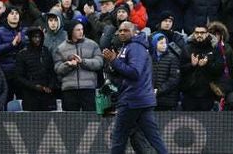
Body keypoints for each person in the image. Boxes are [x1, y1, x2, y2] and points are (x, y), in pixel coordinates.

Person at [102, 22, 167, 154]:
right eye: (120, 31)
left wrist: (115, 61)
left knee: (118, 137)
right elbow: (123, 75)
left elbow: (135, 72)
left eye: (125, 30)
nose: (122, 33)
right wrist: (112, 66)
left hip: (132, 100)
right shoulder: (128, 47)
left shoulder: (135, 47)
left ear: (134, 32)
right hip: (141, 99)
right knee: (154, 138)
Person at [53, 20, 103, 111]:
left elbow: (99, 63)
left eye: (82, 29)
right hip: (69, 90)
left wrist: (83, 62)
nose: (81, 32)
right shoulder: (61, 48)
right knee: (71, 120)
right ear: (71, 31)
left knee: (89, 120)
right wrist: (68, 65)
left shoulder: (92, 45)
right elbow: (57, 69)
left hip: (88, 88)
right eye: (77, 30)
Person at [179, 24, 222, 111]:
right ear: (193, 34)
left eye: (202, 33)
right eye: (197, 32)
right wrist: (192, 65)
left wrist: (207, 64)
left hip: (207, 93)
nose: (199, 35)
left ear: (207, 34)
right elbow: (181, 69)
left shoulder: (214, 48)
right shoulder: (187, 48)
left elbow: (219, 69)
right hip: (189, 93)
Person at [16, 27, 56, 111]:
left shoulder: (46, 51)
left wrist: (50, 86)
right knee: (31, 122)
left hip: (46, 94)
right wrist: (34, 86)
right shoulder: (22, 54)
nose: (37, 39)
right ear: (30, 38)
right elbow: (19, 77)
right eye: (34, 37)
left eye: (39, 37)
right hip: (30, 95)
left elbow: (52, 72)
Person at [0, 7, 27, 101]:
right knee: (7, 98)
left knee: (23, 99)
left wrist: (22, 42)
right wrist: (11, 44)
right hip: (5, 71)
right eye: (12, 13)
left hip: (22, 71)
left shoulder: (24, 31)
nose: (15, 15)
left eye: (16, 13)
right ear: (6, 17)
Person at [207, 21, 233, 111]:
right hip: (209, 87)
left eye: (217, 34)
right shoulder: (206, 49)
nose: (215, 37)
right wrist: (212, 86)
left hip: (228, 85)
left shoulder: (227, 49)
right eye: (212, 35)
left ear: (221, 35)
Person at [150, 33, 180, 111]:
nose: (164, 45)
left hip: (167, 100)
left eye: (165, 43)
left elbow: (174, 79)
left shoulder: (172, 58)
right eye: (161, 43)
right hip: (151, 99)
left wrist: (158, 90)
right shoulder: (149, 58)